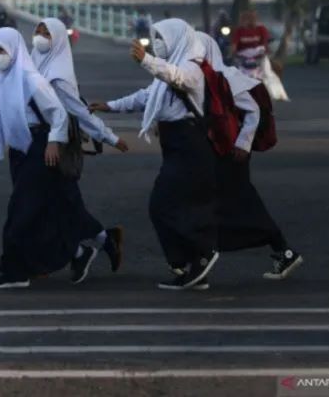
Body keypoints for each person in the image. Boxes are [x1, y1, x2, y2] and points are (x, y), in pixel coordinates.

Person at [0, 27, 94, 290]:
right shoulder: (0, 80)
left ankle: (15, 271)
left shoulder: (31, 80)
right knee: (40, 213)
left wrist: (54, 142)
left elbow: (59, 114)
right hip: (21, 151)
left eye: (0, 50)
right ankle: (76, 253)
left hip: (40, 148)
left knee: (20, 212)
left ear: (14, 49)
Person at [90, 19, 219, 291]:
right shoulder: (164, 74)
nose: (158, 42)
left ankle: (201, 254)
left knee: (162, 205)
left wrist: (147, 60)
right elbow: (144, 97)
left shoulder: (192, 67)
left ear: (177, 38)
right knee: (175, 206)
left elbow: (178, 78)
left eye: (161, 37)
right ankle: (192, 268)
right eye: (155, 37)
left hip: (190, 145)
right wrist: (109, 106)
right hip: (174, 145)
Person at [197, 32, 303, 280]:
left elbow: (253, 111)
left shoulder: (226, 78)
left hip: (231, 153)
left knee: (238, 202)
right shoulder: (207, 78)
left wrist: (243, 144)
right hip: (220, 151)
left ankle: (282, 249)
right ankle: (205, 253)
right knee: (226, 202)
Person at [31, 18, 129, 283]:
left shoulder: (57, 76)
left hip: (58, 144)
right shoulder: (35, 64)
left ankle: (75, 252)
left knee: (57, 202)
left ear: (58, 39)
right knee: (60, 202)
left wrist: (109, 137)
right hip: (41, 142)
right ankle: (100, 241)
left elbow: (79, 112)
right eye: (37, 31)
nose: (39, 37)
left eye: (45, 33)